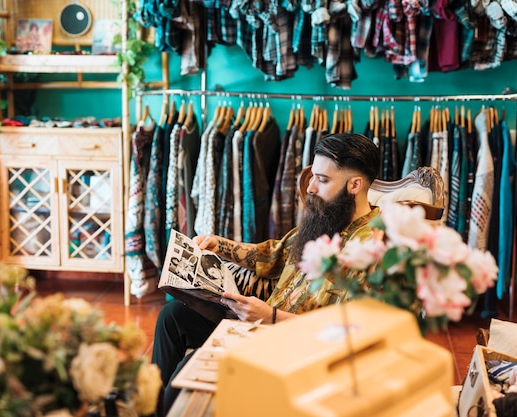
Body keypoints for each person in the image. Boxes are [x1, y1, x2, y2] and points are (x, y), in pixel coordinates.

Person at [151, 132, 382, 415]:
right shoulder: (326, 221)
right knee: (172, 317)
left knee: (184, 376)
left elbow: (347, 335)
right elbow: (274, 254)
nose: (309, 188)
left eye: (322, 180)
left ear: (354, 185)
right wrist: (218, 244)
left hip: (297, 349)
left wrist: (270, 317)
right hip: (261, 327)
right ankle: (148, 407)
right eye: (313, 176)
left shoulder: (371, 250)